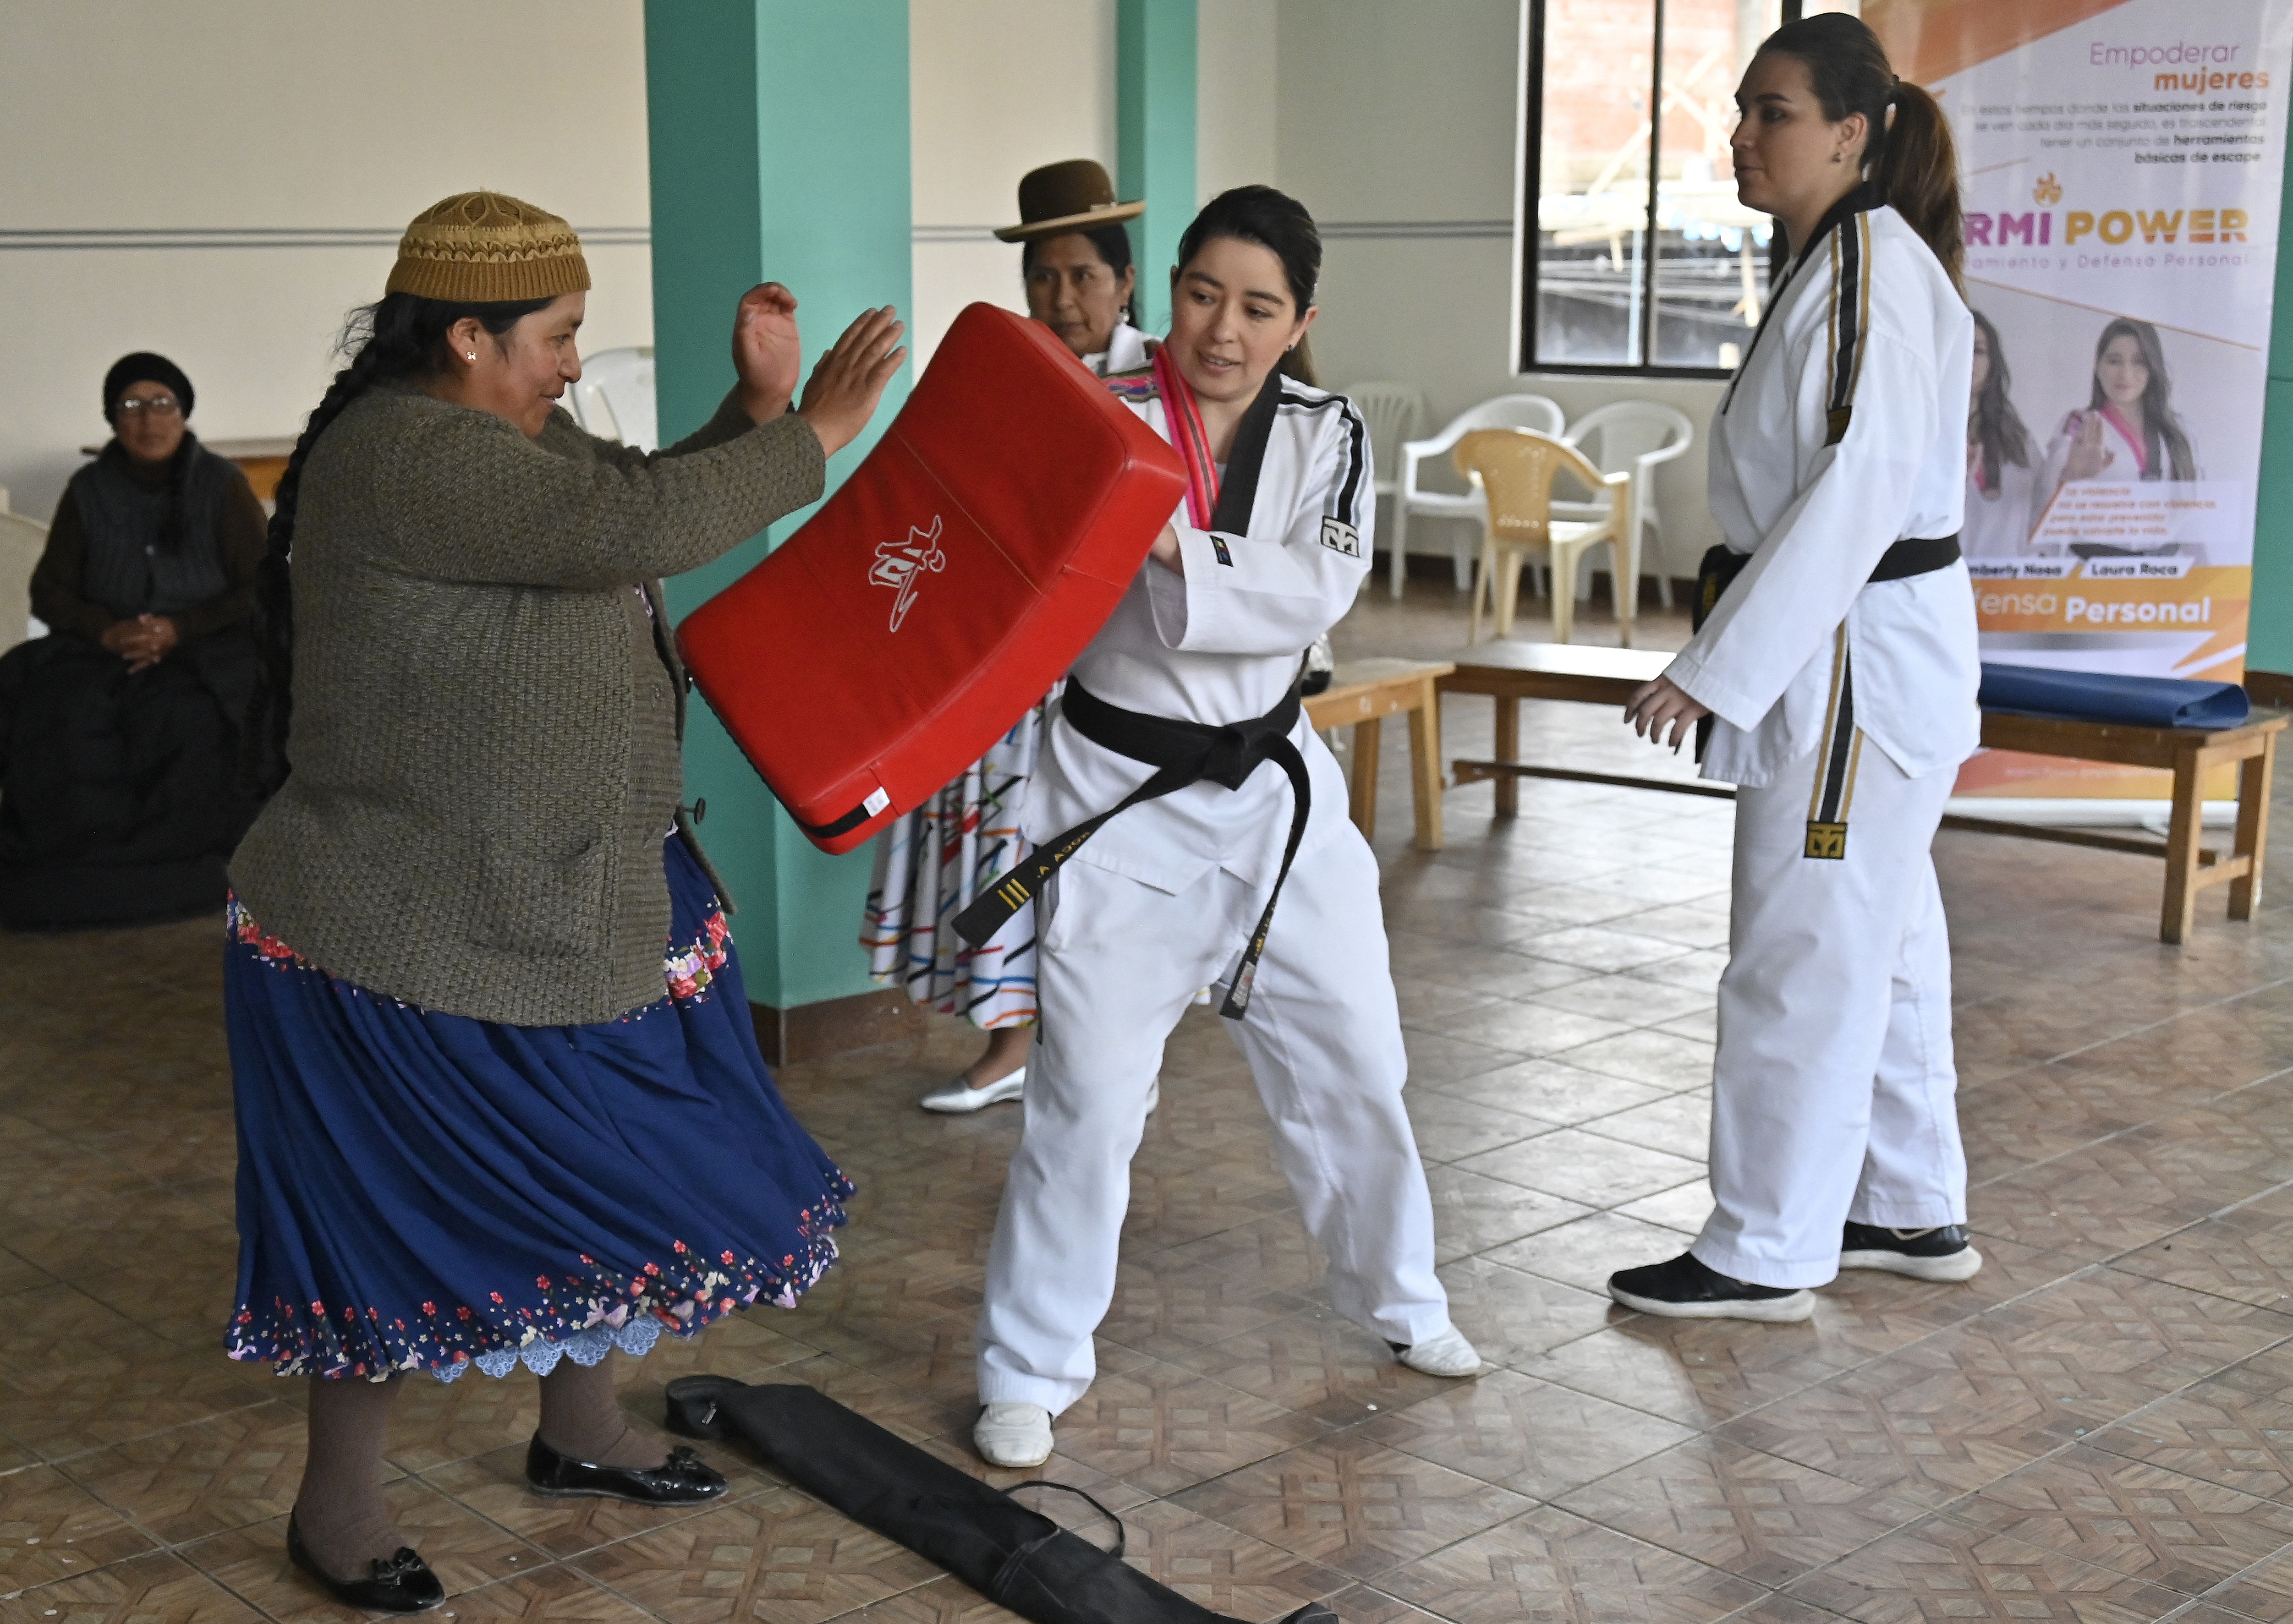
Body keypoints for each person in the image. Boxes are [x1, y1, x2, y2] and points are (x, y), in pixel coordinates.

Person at [223, 191, 903, 1611]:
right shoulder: (410, 453)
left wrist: (750, 410)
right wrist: (814, 432)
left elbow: (625, 515)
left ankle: (582, 1427)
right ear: (465, 336)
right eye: (557, 338)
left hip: (570, 890)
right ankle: (337, 1507)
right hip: (401, 921)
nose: (573, 366)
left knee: (623, 1177)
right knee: (390, 1214)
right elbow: (620, 520)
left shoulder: (510, 440)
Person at [964, 185, 1479, 1471]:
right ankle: (1027, 1365)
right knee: (1084, 1103)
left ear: (1301, 319)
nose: (1222, 331)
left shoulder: (1328, 430)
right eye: (1202, 295)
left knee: (1357, 1056)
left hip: (1273, 802)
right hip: (1115, 804)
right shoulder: (1095, 408)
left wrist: (1156, 551)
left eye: (1258, 308)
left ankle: (1401, 1297)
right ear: (1168, 289)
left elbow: (1317, 590)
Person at [1608, 16, 1984, 1321]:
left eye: (1773, 112)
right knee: (1878, 941)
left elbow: (1858, 491)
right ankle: (1903, 1202)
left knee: (1801, 949)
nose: (1744, 136)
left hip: (1848, 668)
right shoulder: (1841, 260)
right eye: (1740, 112)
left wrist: (1717, 672)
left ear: (1851, 132)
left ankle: (1763, 1245)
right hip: (1863, 658)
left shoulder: (1871, 263)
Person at [863, 159, 1150, 1113]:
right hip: (1005, 664)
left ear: (1126, 281)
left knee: (1096, 867)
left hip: (1119, 665)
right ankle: (1011, 1037)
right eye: (1043, 277)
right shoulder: (1010, 376)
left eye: (1083, 276)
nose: (1062, 298)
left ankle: (1107, 1051)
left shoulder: (1163, 390)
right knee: (1004, 850)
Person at [0, 354, 266, 928]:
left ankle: (188, 862)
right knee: (60, 713)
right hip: (105, 648)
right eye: (132, 405)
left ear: (184, 412)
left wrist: (179, 628)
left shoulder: (222, 486)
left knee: (193, 719)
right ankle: (79, 863)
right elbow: (50, 591)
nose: (149, 419)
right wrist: (108, 629)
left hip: (207, 646)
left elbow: (260, 585)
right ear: (113, 419)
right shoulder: (89, 490)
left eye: (162, 403)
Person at [2042, 316, 2198, 493]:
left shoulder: (2181, 431)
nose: (2125, 374)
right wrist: (2071, 477)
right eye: (2114, 361)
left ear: (2153, 367)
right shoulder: (2079, 425)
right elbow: (2044, 502)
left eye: (2139, 362)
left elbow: (2197, 509)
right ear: (2097, 366)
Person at [1962, 310, 2045, 558]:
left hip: (2009, 590)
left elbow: (2041, 514)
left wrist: (2071, 478)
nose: (1966, 358)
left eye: (1977, 351)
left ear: (1992, 363)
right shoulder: (1919, 433)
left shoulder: (2019, 440)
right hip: (1943, 584)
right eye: (1957, 346)